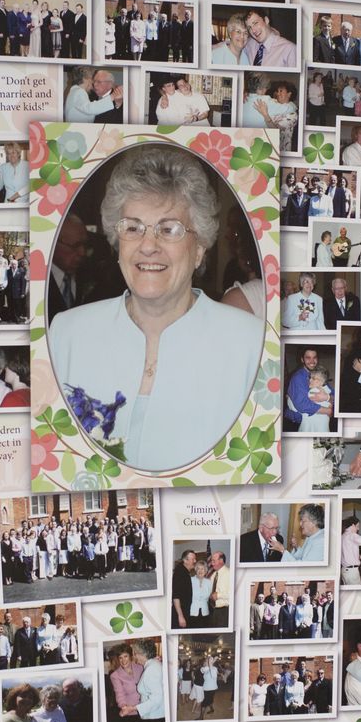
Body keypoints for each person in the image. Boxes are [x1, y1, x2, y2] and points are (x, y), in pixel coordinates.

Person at [48, 146, 264, 471]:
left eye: (169, 229)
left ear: (200, 249)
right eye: (133, 228)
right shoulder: (65, 333)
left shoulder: (252, 344)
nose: (148, 246)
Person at [47, 213, 90, 323]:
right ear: (54, 243)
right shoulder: (39, 280)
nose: (83, 253)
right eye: (75, 246)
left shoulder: (89, 276)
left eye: (85, 245)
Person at [260, 503, 327, 563]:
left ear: (313, 522)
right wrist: (296, 547)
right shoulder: (310, 536)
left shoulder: (322, 541)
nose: (300, 524)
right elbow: (304, 556)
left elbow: (303, 568)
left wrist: (282, 549)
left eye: (303, 521)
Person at [119, 639, 165, 722]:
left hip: (154, 716)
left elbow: (157, 699)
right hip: (154, 714)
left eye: (135, 653)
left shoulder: (152, 669)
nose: (134, 656)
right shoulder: (153, 664)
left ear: (142, 654)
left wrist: (133, 708)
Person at [171, 549, 197, 629]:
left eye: (195, 559)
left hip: (185, 612)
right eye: (193, 559)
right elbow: (176, 596)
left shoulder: (184, 572)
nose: (195, 561)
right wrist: (180, 616)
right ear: (185, 560)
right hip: (180, 615)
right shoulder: (180, 573)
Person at [208, 550, 231, 627]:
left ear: (221, 561)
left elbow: (234, 594)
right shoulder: (213, 575)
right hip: (213, 611)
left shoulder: (229, 573)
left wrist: (218, 595)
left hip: (224, 612)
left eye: (214, 561)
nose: (212, 563)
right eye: (211, 561)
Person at [189, 560, 212, 627]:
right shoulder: (190, 580)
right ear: (196, 570)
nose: (200, 571)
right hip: (192, 611)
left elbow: (210, 596)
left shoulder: (209, 582)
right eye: (198, 568)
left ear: (205, 570)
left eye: (202, 569)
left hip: (205, 612)